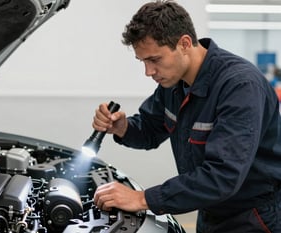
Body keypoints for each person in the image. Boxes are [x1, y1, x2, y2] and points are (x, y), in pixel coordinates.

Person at [91, 1, 281, 232]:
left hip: (254, 218)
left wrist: (143, 199)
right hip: (211, 210)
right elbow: (151, 129)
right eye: (143, 62)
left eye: (154, 60)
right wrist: (122, 127)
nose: (148, 72)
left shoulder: (240, 87)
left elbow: (223, 175)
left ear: (184, 43)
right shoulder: (174, 84)